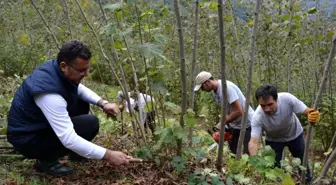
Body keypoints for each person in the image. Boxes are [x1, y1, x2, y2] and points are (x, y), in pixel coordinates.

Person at [7, 40, 132, 176]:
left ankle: (76, 153)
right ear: (64, 66)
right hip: (27, 139)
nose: (86, 74)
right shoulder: (49, 94)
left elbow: (79, 89)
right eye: (81, 70)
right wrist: (108, 155)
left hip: (37, 124)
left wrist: (103, 103)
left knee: (82, 105)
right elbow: (69, 138)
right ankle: (46, 161)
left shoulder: (56, 69)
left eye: (87, 69)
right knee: (90, 124)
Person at [248, 84, 320, 182]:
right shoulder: (257, 117)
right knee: (273, 168)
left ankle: (307, 181)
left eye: (270, 104)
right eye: (263, 106)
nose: (266, 109)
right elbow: (253, 142)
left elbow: (307, 111)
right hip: (274, 140)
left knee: (302, 163)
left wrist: (313, 115)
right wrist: (254, 161)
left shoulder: (287, 99)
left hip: (295, 135)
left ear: (277, 99)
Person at [193, 71, 254, 155]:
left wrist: (222, 123)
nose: (202, 90)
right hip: (235, 124)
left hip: (247, 123)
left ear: (207, 82)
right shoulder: (215, 92)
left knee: (248, 154)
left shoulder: (226, 88)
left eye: (202, 87)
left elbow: (239, 111)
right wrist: (225, 127)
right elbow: (226, 109)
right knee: (233, 153)